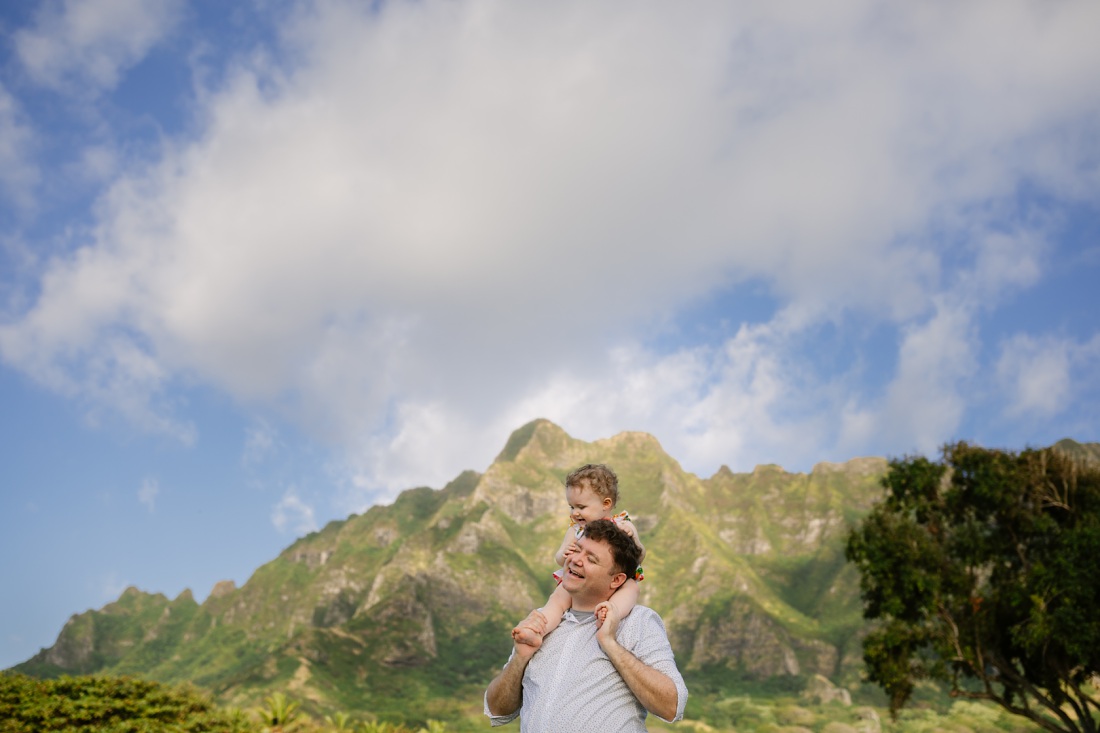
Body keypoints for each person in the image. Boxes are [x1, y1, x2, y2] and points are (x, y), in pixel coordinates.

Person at [484, 518, 688, 731]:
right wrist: (520, 657)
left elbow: (671, 705)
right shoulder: (543, 623)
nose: (576, 560)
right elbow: (498, 710)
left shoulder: (639, 621)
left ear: (617, 580)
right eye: (577, 549)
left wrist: (610, 644)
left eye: (591, 559)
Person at [512, 463, 646, 646]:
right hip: (578, 581)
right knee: (558, 598)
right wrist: (565, 554)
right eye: (571, 507)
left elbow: (639, 556)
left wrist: (633, 539)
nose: (575, 513)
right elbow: (559, 559)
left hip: (616, 578)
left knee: (631, 587)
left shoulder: (622, 524)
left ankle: (612, 612)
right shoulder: (576, 530)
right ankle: (538, 630)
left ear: (606, 504)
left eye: (581, 507)